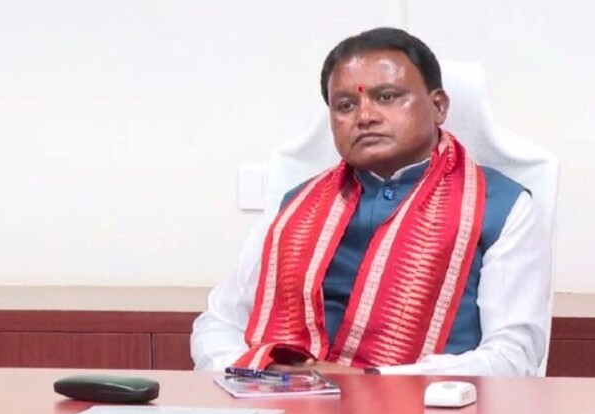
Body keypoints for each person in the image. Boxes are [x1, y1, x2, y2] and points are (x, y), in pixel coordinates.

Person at [191, 27, 550, 376]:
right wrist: (256, 373)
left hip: (425, 407)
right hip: (285, 401)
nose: (365, 117)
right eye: (346, 105)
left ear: (438, 106)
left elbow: (512, 358)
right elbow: (218, 324)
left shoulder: (501, 206)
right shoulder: (296, 207)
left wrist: (367, 383)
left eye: (387, 97)